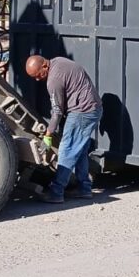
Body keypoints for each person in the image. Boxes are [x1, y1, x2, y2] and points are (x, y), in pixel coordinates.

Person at [25, 54, 102, 203]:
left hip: (82, 111)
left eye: (38, 75)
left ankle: (56, 192)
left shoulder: (53, 80)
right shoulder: (59, 61)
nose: (37, 79)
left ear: (45, 66)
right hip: (93, 108)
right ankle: (84, 188)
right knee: (79, 150)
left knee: (67, 149)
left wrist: (48, 135)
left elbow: (57, 112)